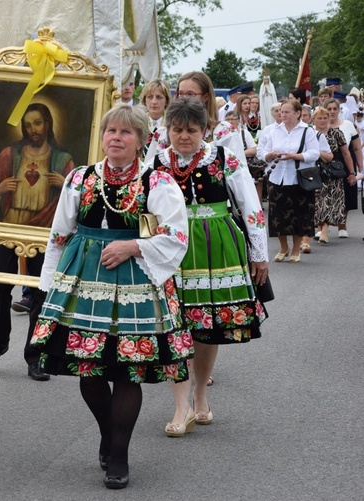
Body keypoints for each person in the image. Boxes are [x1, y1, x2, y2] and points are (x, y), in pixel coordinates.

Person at [31, 104, 191, 489]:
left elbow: (175, 236)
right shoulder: (80, 178)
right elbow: (59, 234)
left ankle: (119, 452)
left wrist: (132, 247)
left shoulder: (158, 183)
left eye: (126, 132)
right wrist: (47, 286)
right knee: (89, 366)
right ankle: (108, 432)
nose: (116, 138)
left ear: (140, 140)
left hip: (136, 281)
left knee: (126, 368)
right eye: (110, 131)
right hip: (83, 280)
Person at [148, 98, 268, 440]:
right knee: (173, 324)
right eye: (177, 129)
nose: (184, 136)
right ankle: (180, 405)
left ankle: (201, 393)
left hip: (216, 246)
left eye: (191, 130)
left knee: (206, 323)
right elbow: (144, 208)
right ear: (167, 129)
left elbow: (250, 205)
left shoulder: (224, 157)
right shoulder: (156, 161)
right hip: (171, 246)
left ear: (204, 129)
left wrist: (259, 253)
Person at [0, 103, 76, 380]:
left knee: (41, 292)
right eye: (28, 124)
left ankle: (35, 354)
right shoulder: (10, 154)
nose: (33, 130)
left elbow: (81, 193)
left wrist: (66, 182)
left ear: (48, 124)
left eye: (38, 123)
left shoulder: (63, 160)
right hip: (8, 227)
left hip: (45, 231)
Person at [259, 99, 320, 261]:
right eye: (281, 111)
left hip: (299, 178)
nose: (282, 114)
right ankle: (283, 247)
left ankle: (295, 250)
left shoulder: (307, 131)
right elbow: (261, 151)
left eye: (286, 112)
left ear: (298, 113)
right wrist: (269, 155)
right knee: (277, 214)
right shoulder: (273, 130)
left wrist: (295, 156)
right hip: (277, 177)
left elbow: (315, 153)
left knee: (299, 215)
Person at [146, 71, 247, 166]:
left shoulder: (224, 132)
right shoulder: (163, 133)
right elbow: (148, 170)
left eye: (190, 94)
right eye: (180, 93)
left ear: (206, 97)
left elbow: (239, 174)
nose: (184, 98)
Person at [321, 98, 363, 239]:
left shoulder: (348, 125)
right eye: (330, 109)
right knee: (322, 193)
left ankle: (342, 225)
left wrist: (360, 166)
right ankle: (321, 226)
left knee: (345, 191)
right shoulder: (319, 124)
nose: (332, 111)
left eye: (335, 109)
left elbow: (356, 147)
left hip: (344, 160)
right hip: (323, 161)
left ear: (339, 110)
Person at [313, 107, 354, 244]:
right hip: (313, 171)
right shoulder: (309, 133)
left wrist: (352, 173)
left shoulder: (336, 133)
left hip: (332, 172)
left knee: (329, 201)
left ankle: (324, 231)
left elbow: (346, 153)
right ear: (314, 120)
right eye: (319, 118)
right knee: (317, 200)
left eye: (325, 118)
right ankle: (319, 228)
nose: (323, 120)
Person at [225, 110, 261, 202]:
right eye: (228, 119)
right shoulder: (222, 135)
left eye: (233, 119)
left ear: (238, 120)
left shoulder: (244, 133)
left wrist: (238, 154)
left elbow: (253, 149)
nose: (230, 121)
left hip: (244, 167)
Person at [139, 78, 171, 158]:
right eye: (150, 97)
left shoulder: (172, 123)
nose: (154, 102)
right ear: (144, 99)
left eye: (159, 97)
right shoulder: (137, 122)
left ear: (166, 100)